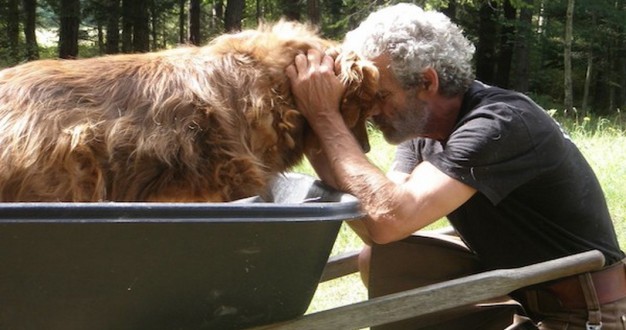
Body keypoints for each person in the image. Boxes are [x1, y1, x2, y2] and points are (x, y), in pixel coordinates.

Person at [285, 3, 626, 330]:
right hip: (518, 298)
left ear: (427, 83)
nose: (372, 111)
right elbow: (377, 223)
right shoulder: (423, 132)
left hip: (586, 316)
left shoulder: (499, 124)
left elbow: (390, 219)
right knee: (386, 257)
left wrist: (325, 117)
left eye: (381, 96)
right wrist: (317, 133)